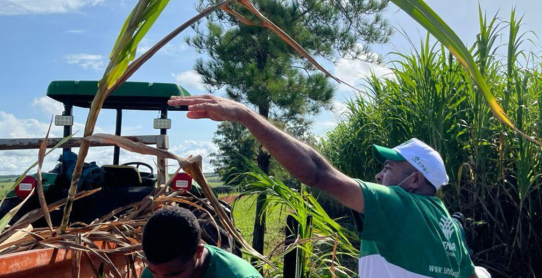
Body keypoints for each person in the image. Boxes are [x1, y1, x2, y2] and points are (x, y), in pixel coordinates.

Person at [169, 95, 489, 278]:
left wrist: (246, 116)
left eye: (389, 168)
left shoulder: (400, 205)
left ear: (416, 180)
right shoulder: (449, 225)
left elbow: (316, 173)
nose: (379, 176)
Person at [141, 206, 261, 278]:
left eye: (174, 274)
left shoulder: (239, 276)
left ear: (198, 252)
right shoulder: (154, 273)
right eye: (155, 273)